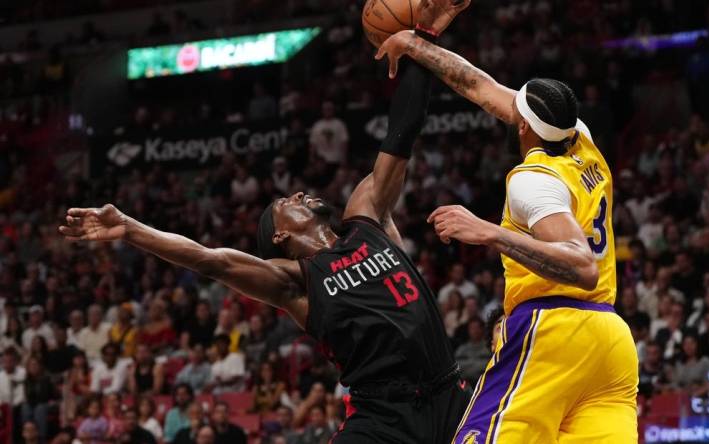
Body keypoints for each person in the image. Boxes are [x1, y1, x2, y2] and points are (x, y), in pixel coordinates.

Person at [58, 3, 471, 442]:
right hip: (382, 416)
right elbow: (209, 260)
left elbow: (401, 132)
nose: (297, 194)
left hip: (449, 392)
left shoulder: (367, 217)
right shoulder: (294, 281)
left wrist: (422, 37)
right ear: (280, 235)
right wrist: (131, 228)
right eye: (285, 201)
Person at [378, 25, 637, 442]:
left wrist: (490, 233)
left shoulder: (533, 180)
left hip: (554, 332)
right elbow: (479, 86)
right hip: (610, 341)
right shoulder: (580, 138)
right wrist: (414, 45)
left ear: (522, 126)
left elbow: (582, 265)